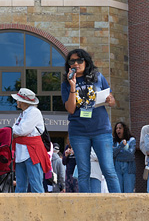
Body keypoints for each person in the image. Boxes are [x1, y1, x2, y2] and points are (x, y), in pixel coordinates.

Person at [61, 48, 120, 193]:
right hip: (79, 132)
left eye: (79, 60)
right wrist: (73, 85)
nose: (76, 63)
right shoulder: (66, 83)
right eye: (72, 61)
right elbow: (70, 108)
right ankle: (86, 209)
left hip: (101, 129)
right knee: (83, 171)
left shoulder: (98, 77)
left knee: (108, 169)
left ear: (86, 62)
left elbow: (112, 101)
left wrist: (110, 100)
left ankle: (120, 205)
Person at [11, 88, 51, 193]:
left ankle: (40, 208)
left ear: (23, 101)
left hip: (32, 152)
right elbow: (16, 129)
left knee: (36, 185)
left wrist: (15, 132)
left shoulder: (34, 112)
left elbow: (22, 130)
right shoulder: (23, 113)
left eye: (18, 99)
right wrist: (15, 131)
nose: (17, 101)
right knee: (20, 185)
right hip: (22, 152)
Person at [113, 122, 136, 193]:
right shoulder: (114, 141)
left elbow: (130, 155)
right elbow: (112, 154)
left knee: (128, 192)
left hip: (129, 168)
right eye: (116, 128)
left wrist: (118, 153)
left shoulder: (131, 140)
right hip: (117, 168)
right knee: (118, 191)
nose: (118, 130)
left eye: (120, 128)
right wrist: (121, 146)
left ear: (124, 129)